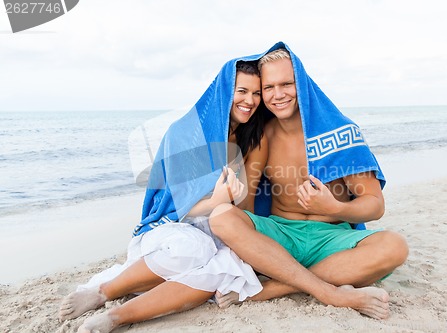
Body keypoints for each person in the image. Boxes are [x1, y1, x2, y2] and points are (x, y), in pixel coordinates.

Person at [58, 59, 269, 333]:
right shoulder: (185, 133)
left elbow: (247, 205)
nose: (250, 100)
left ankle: (116, 317)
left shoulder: (249, 138)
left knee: (224, 272)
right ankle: (104, 291)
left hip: (221, 229)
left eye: (256, 93)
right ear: (224, 92)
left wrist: (233, 208)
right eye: (242, 91)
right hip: (174, 228)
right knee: (193, 250)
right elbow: (178, 205)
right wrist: (217, 201)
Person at [209, 43, 408, 320]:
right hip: (281, 236)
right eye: (269, 88)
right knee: (221, 217)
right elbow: (248, 204)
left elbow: (375, 206)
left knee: (394, 246)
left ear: (301, 83)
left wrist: (334, 209)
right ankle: (330, 291)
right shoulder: (264, 135)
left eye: (287, 84)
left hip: (332, 239)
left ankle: (270, 289)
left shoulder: (341, 132)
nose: (278, 95)